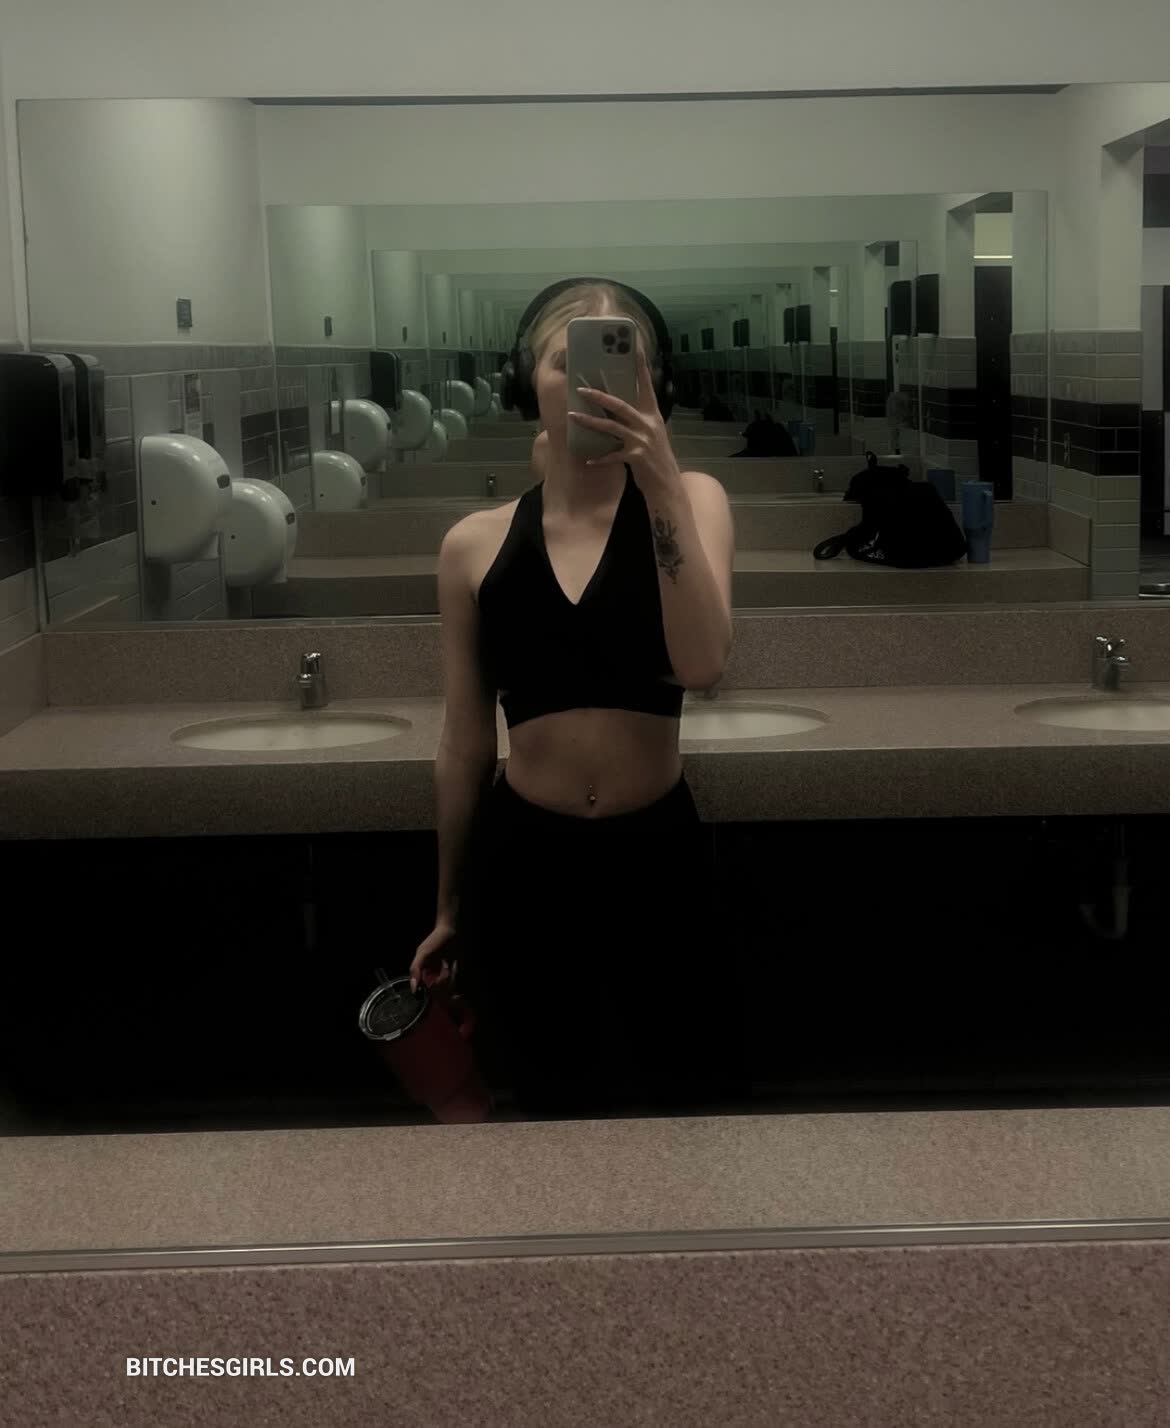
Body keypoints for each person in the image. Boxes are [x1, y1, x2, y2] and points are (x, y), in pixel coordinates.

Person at [409, 280, 738, 1117]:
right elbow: (464, 743)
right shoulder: (472, 545)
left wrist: (660, 481)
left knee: (681, 1108)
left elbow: (703, 664)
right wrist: (448, 904)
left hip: (657, 856)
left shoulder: (694, 501)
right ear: (531, 382)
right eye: (567, 361)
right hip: (525, 864)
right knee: (543, 1114)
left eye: (620, 361)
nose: (592, 382)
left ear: (654, 384)